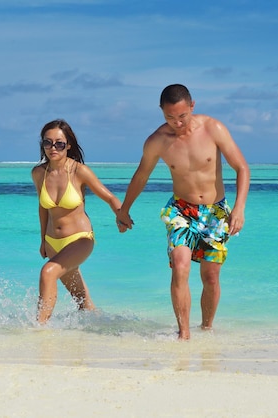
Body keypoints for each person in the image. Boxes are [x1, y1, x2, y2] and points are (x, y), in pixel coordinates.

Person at [116, 84, 250, 340]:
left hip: (215, 212)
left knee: (210, 277)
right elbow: (141, 176)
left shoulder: (214, 129)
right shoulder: (157, 141)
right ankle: (184, 334)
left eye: (182, 116)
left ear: (192, 106)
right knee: (180, 266)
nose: (177, 123)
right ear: (161, 111)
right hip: (181, 210)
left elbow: (242, 168)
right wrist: (124, 209)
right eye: (169, 117)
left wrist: (240, 208)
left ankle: (207, 328)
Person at [31, 119, 124, 324]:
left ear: (68, 145)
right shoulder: (39, 173)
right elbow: (43, 208)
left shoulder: (79, 171)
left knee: (48, 272)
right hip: (53, 242)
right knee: (82, 303)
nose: (53, 148)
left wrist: (121, 215)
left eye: (59, 143)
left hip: (80, 240)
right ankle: (98, 334)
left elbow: (109, 197)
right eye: (48, 143)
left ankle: (38, 330)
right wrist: (42, 240)